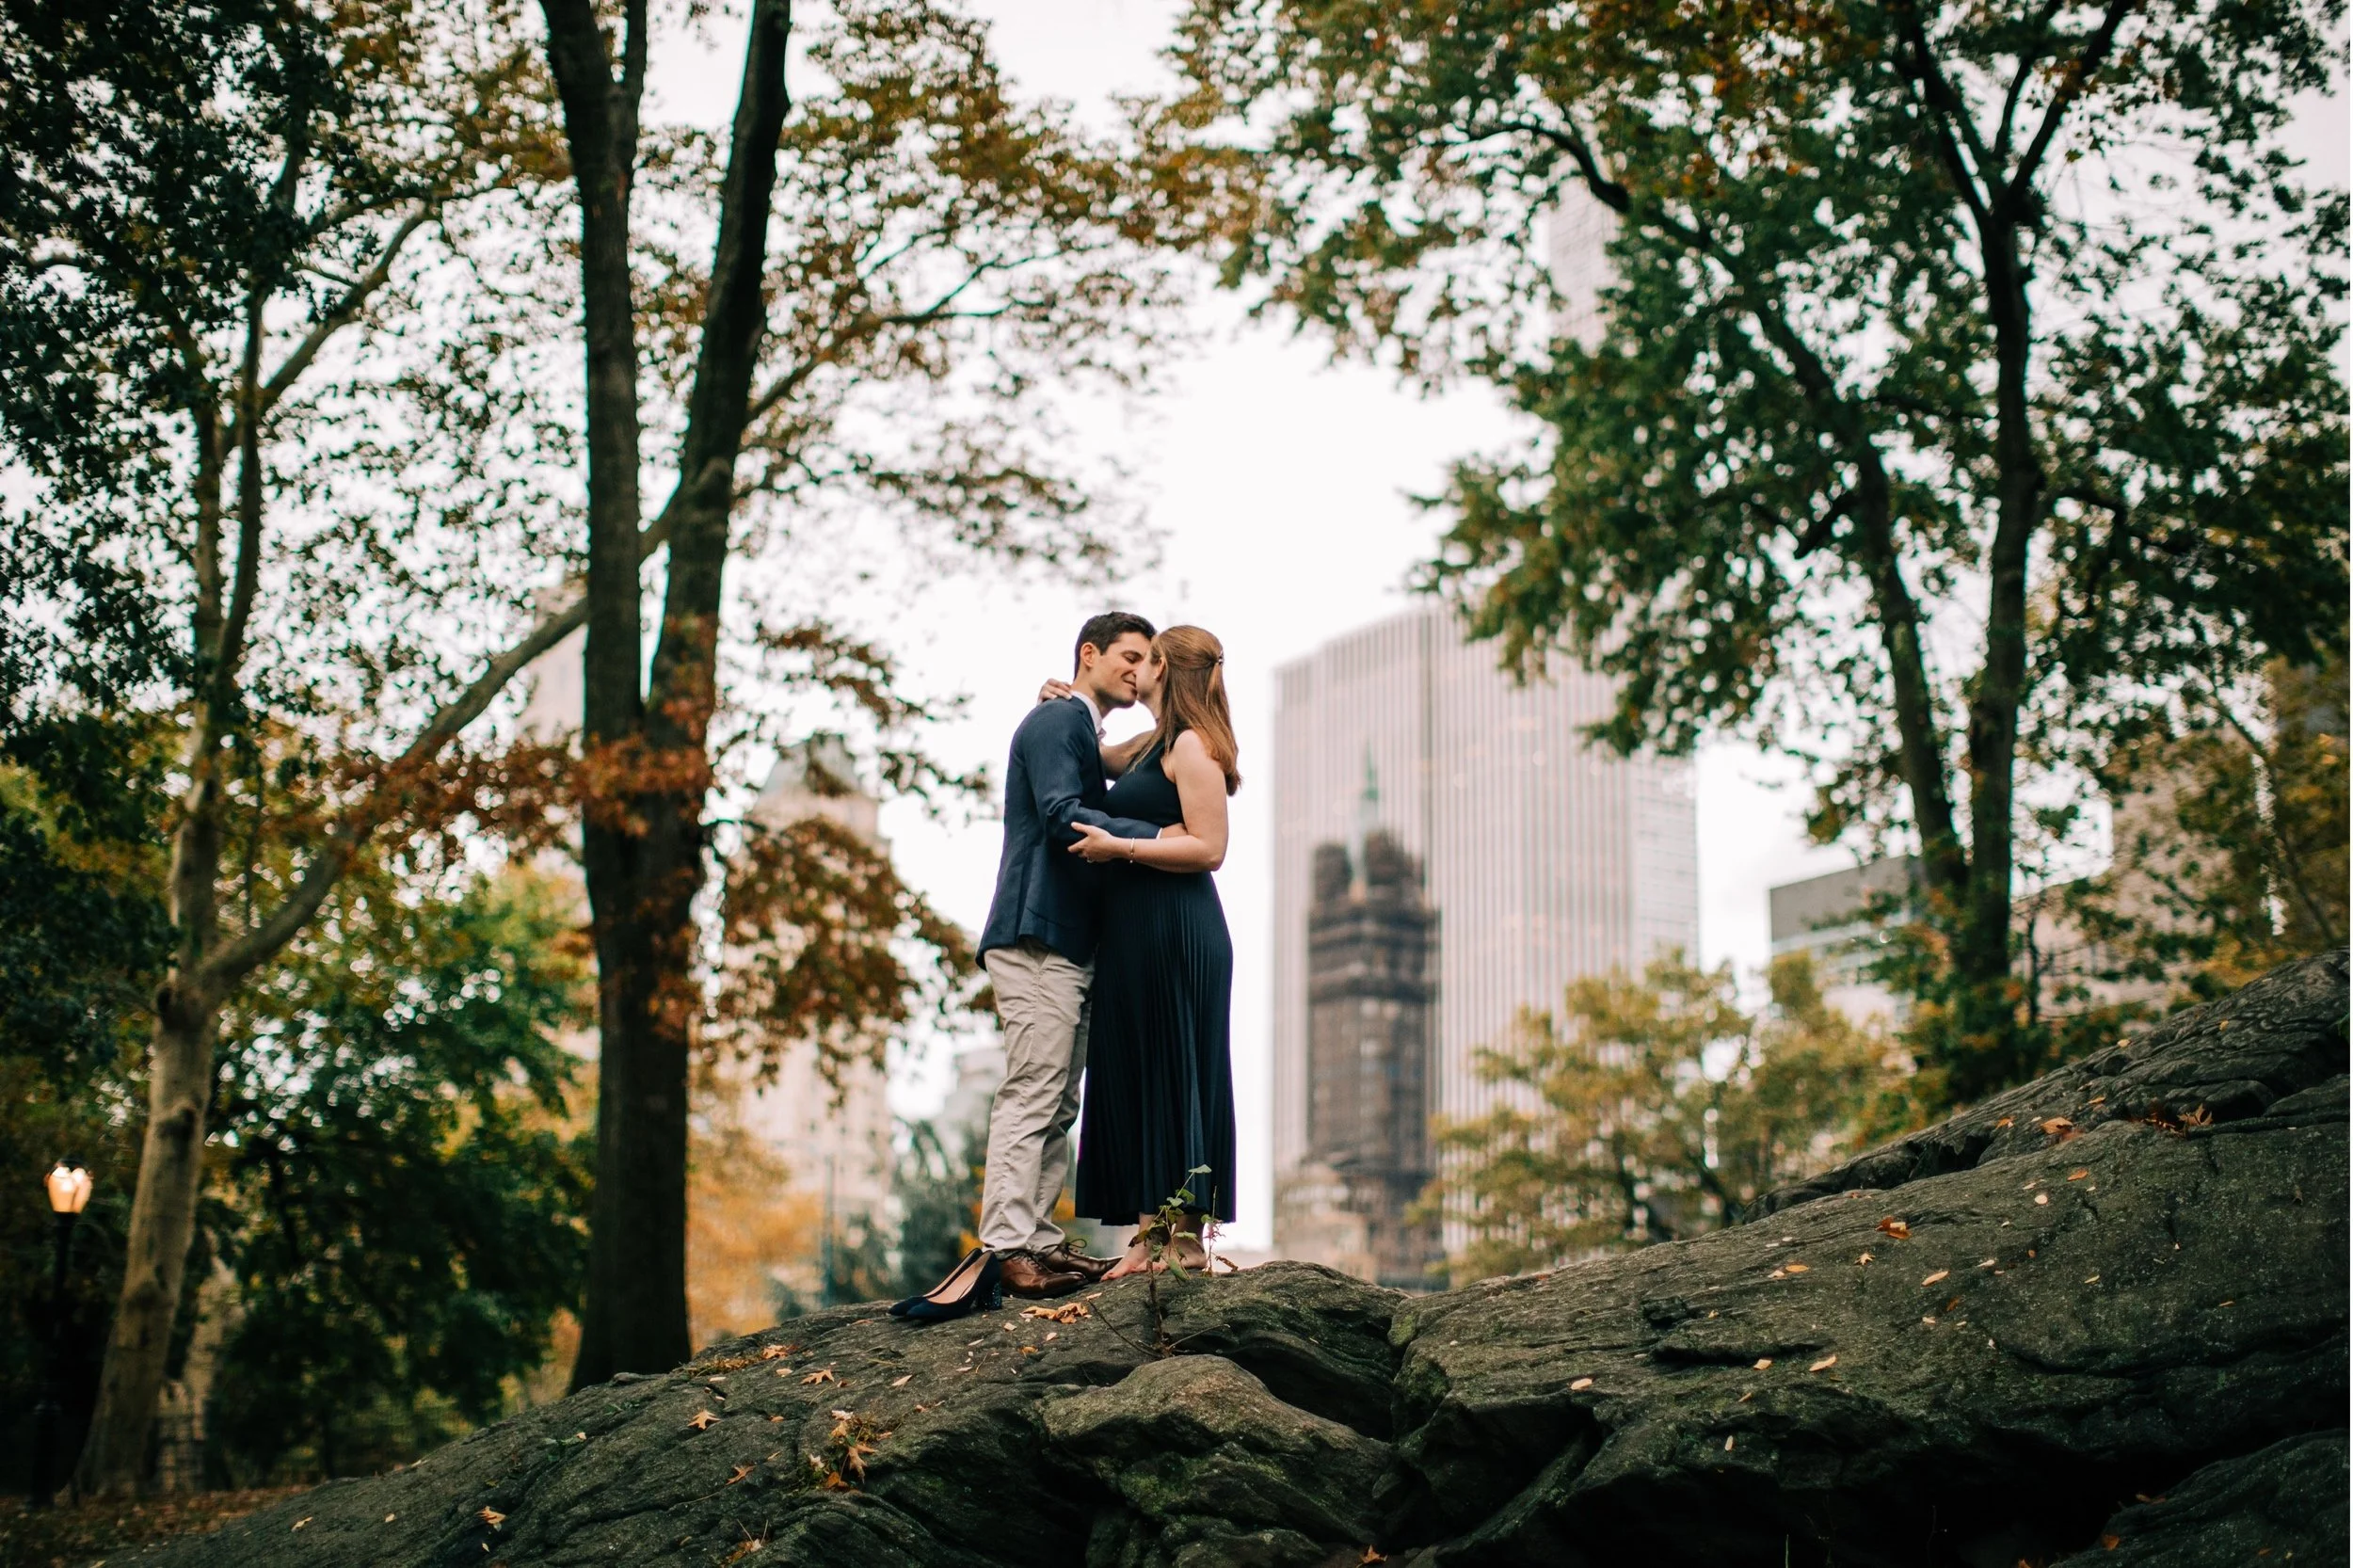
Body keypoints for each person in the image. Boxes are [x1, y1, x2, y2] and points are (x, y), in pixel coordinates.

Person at [892, 612, 1161, 1321]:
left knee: (1058, 1099)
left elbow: (1121, 760)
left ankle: (1037, 1240)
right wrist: (1166, 836)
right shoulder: (1053, 724)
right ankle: (1010, 1245)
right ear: (1090, 654)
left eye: (1149, 661)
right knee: (1034, 1086)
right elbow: (1059, 815)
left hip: (1068, 942)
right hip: (1037, 933)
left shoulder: (1080, 728)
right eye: (1128, 657)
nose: (1138, 670)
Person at [1065, 626, 1240, 1278]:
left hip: (1176, 927)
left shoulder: (1194, 748)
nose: (1134, 670)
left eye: (1145, 659)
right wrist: (1068, 697)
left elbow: (1210, 848)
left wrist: (1122, 848)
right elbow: (1097, 753)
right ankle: (1150, 1237)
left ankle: (1177, 1242)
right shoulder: (1152, 744)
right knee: (1142, 1069)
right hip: (1137, 930)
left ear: (1165, 667)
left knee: (1172, 1069)